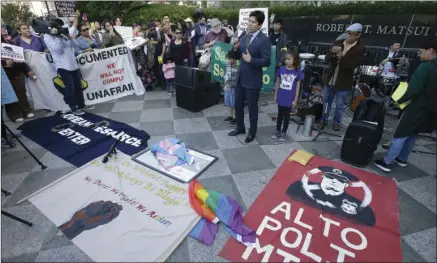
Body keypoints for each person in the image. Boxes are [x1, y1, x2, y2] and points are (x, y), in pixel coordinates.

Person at [374, 38, 437, 173]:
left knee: (401, 133)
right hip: (430, 108)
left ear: (430, 50)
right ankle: (402, 159)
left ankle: (387, 162)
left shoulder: (425, 67)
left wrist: (398, 101)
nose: (419, 54)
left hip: (416, 106)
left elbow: (413, 90)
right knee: (413, 133)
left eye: (421, 51)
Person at [228, 10, 271, 143]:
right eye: (249, 21)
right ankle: (240, 127)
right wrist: (235, 48)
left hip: (253, 81)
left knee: (252, 108)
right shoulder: (245, 36)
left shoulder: (264, 40)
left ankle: (252, 132)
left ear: (259, 25)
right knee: (237, 104)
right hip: (241, 78)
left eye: (253, 22)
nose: (250, 24)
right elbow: (236, 56)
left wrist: (251, 60)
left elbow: (267, 61)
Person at [319, 23, 365, 131]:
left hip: (344, 82)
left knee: (339, 105)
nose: (349, 36)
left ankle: (336, 122)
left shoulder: (360, 48)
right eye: (348, 33)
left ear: (358, 35)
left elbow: (352, 65)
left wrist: (341, 57)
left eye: (352, 34)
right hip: (330, 79)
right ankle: (323, 120)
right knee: (326, 101)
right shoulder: (338, 42)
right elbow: (327, 58)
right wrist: (331, 52)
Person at [43, 19, 93, 115]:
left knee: (78, 86)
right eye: (57, 25)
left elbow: (74, 45)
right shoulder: (47, 36)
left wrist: (69, 37)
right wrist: (58, 37)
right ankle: (73, 108)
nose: (59, 27)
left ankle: (81, 105)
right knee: (69, 88)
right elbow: (58, 50)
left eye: (60, 25)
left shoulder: (64, 33)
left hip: (73, 65)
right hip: (62, 66)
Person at [1, 35, 35, 122]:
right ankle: (15, 114)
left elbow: (20, 57)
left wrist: (27, 70)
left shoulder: (10, 43)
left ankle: (26, 110)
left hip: (17, 71)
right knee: (9, 95)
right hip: (4, 74)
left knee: (21, 92)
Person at [272, 51, 304, 141]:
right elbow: (278, 82)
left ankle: (284, 132)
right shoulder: (281, 69)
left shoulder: (298, 72)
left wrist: (295, 99)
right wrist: (276, 94)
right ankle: (278, 130)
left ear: (294, 60)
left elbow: (298, 87)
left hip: (290, 98)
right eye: (286, 59)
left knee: (286, 116)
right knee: (280, 115)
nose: (286, 61)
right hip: (281, 96)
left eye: (289, 59)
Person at [223, 50, 240, 127]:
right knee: (228, 103)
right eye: (228, 59)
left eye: (230, 59)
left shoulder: (238, 68)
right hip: (227, 87)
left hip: (234, 88)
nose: (229, 60)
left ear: (234, 59)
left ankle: (235, 118)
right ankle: (230, 116)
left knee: (234, 104)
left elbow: (238, 80)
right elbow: (224, 74)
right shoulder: (226, 65)